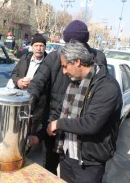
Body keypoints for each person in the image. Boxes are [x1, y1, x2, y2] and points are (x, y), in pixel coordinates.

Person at [27, 20, 107, 175]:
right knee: (51, 167)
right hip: (54, 121)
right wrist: (26, 105)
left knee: (77, 170)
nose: (65, 71)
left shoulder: (98, 60)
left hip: (81, 129)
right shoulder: (54, 58)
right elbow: (36, 84)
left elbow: (100, 96)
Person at [46, 40, 122, 182]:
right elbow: (61, 110)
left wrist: (58, 124)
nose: (63, 71)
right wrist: (50, 123)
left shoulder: (107, 87)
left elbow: (91, 124)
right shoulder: (74, 83)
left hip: (89, 163)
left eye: (64, 66)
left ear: (77, 62)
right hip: (67, 154)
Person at [11, 34, 48, 134]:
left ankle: (27, 148)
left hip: (37, 103)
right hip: (19, 98)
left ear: (45, 47)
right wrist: (18, 81)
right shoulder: (24, 58)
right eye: (36, 45)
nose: (39, 48)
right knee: (15, 128)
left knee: (30, 131)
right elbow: (14, 73)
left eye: (41, 46)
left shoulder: (49, 62)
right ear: (31, 47)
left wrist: (34, 83)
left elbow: (51, 83)